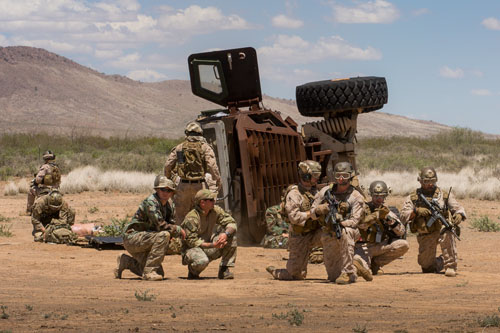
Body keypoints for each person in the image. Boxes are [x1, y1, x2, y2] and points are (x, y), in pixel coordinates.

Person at [311, 161, 372, 284]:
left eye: (344, 175)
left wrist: (341, 222)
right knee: (333, 277)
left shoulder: (356, 196)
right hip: (329, 231)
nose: (340, 178)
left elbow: (354, 221)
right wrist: (320, 210)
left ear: (351, 176)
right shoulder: (325, 191)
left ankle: (348, 272)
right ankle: (356, 266)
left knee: (346, 232)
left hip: (349, 230)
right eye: (338, 175)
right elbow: (312, 214)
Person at [115, 175, 185, 281]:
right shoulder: (151, 202)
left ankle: (126, 261)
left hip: (147, 240)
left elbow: (170, 224)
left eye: (169, 190)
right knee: (164, 235)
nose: (166, 193)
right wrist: (178, 230)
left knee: (160, 272)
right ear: (157, 189)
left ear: (172, 193)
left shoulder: (168, 206)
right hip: (133, 238)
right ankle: (149, 272)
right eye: (163, 189)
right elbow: (160, 225)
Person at [266, 160, 326, 280]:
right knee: (295, 275)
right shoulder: (294, 194)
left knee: (333, 234)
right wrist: (313, 213)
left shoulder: (315, 191)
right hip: (300, 236)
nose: (317, 179)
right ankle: (277, 272)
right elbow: (294, 218)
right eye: (315, 176)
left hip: (315, 232)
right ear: (306, 176)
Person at [400, 167, 466, 277]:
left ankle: (450, 265)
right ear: (420, 181)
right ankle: (439, 262)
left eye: (433, 181)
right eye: (426, 181)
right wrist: (416, 211)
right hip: (426, 233)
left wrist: (459, 214)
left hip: (441, 229)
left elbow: (457, 207)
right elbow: (403, 216)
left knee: (448, 231)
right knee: (427, 267)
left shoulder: (443, 195)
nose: (430, 184)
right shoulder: (413, 197)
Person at [164, 121, 221, 225]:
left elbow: (168, 165)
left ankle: (182, 240)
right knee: (202, 216)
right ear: (200, 133)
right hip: (200, 186)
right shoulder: (205, 147)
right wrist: (218, 180)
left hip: (183, 186)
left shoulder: (180, 148)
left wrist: (169, 178)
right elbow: (212, 166)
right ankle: (199, 240)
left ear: (187, 133)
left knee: (181, 217)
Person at [355, 180, 409, 275]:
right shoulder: (363, 209)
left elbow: (401, 231)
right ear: (371, 195)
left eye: (381, 196)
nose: (379, 199)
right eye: (376, 196)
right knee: (361, 270)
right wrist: (375, 216)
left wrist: (388, 220)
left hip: (379, 246)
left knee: (403, 245)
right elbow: (361, 225)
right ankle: (366, 265)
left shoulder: (387, 212)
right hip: (362, 247)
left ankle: (376, 264)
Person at [181, 189, 237, 280]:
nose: (214, 201)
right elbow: (192, 242)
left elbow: (231, 223)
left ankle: (224, 269)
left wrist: (226, 234)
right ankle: (193, 271)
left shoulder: (215, 210)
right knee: (202, 261)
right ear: (202, 202)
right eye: (211, 200)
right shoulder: (192, 218)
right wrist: (213, 245)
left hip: (208, 246)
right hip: (192, 250)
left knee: (231, 236)